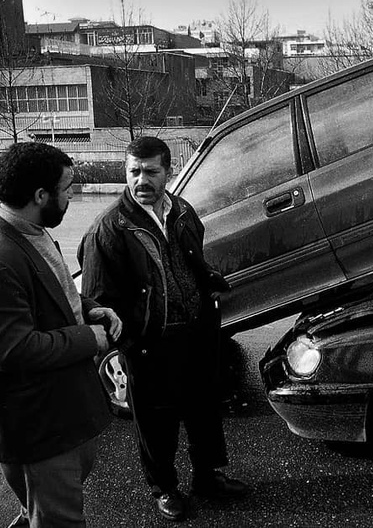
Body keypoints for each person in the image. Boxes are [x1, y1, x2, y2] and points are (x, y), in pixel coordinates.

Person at [78, 136, 246, 523]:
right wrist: (129, 341)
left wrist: (208, 281)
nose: (141, 180)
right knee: (157, 423)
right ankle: (165, 489)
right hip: (152, 344)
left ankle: (208, 477)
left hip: (198, 332)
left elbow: (192, 259)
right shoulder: (109, 228)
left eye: (151, 171)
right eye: (133, 171)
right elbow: (97, 300)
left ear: (168, 172)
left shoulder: (183, 211)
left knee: (204, 410)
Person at [0, 142, 122, 528]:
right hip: (41, 425)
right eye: (67, 188)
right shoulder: (3, 256)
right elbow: (15, 348)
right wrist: (91, 337)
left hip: (61, 413)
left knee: (45, 512)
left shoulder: (30, 231)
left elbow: (51, 290)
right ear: (40, 195)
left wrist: (87, 307)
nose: (71, 196)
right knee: (59, 520)